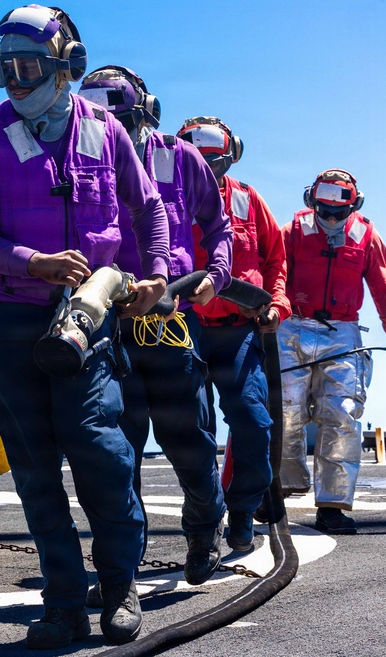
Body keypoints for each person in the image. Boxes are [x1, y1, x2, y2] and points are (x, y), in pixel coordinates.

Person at [0, 6, 170, 649]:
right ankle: (64, 605)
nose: (15, 84)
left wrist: (154, 271)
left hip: (88, 320)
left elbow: (147, 205)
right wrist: (32, 262)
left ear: (66, 66)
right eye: (3, 71)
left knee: (102, 453)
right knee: (37, 471)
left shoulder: (107, 132)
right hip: (9, 319)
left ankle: (120, 587)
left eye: (28, 69)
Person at [77, 68, 232, 588]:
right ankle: (121, 567)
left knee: (188, 441)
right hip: (106, 327)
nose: (110, 130)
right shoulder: (80, 154)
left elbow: (218, 225)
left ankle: (205, 527)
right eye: (101, 120)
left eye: (119, 119)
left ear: (145, 113)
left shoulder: (180, 157)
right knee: (116, 455)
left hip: (168, 324)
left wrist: (217, 273)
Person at [177, 116, 291, 550]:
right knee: (193, 432)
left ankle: (242, 510)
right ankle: (204, 524)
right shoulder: (161, 196)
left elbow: (275, 260)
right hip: (181, 331)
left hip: (237, 332)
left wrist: (275, 305)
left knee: (254, 420)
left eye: (215, 164)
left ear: (231, 157)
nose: (206, 174)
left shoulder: (247, 200)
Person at [279, 169, 386, 533]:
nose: (330, 219)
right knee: (284, 409)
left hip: (342, 332)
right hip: (291, 325)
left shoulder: (367, 237)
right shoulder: (292, 232)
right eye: (324, 211)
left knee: (341, 415)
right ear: (312, 202)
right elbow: (274, 274)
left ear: (353, 206)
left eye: (338, 214)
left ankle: (332, 505)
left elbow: (383, 287)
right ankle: (281, 488)